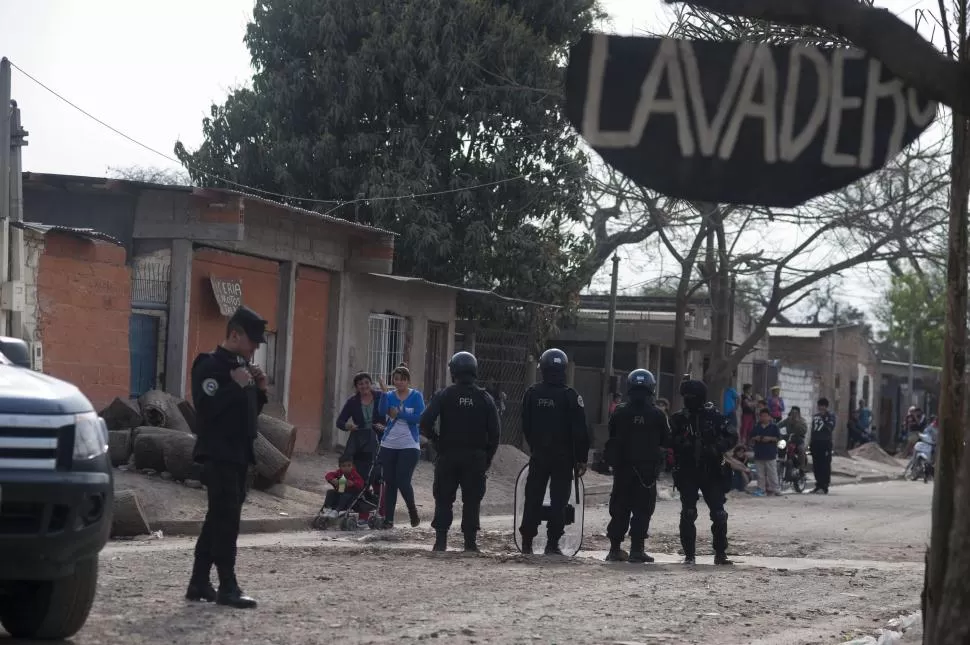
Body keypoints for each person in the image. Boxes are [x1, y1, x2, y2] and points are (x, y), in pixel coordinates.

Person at [185, 305, 268, 609]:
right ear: (235, 334)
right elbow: (207, 410)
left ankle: (198, 581)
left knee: (218, 518)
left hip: (239, 454)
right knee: (227, 520)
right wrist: (236, 385)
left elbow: (247, 413)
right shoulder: (211, 366)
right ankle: (228, 586)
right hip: (219, 453)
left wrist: (258, 390)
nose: (256, 347)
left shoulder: (241, 369)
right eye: (253, 341)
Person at [420, 351, 500, 552]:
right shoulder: (485, 398)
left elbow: (424, 423)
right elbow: (495, 432)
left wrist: (436, 442)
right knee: (472, 500)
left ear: (453, 371)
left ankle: (440, 541)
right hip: (475, 457)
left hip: (448, 455)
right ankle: (470, 543)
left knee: (444, 498)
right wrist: (487, 456)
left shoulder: (444, 395)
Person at [519, 348, 590, 555]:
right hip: (563, 458)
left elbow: (526, 425)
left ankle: (527, 544)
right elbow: (580, 431)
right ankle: (552, 544)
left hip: (539, 455)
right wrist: (581, 459)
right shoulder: (570, 396)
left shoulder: (532, 393)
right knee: (559, 500)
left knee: (533, 497)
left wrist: (536, 446)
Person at [604, 369, 670, 563]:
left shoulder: (620, 412)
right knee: (643, 509)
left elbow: (611, 433)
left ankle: (615, 549)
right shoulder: (657, 415)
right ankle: (636, 550)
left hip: (622, 469)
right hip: (646, 472)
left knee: (619, 507)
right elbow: (666, 440)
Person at [669, 379, 737, 565]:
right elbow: (668, 438)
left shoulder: (713, 416)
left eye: (692, 397)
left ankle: (720, 553)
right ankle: (689, 555)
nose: (688, 400)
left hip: (712, 470)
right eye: (686, 397)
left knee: (719, 514)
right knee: (688, 512)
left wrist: (717, 447)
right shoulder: (679, 418)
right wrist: (682, 444)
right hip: (688, 470)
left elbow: (732, 435)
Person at [377, 364, 425, 528]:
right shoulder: (390, 395)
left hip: (409, 444)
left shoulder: (416, 396)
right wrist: (383, 393)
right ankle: (388, 519)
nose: (399, 382)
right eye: (396, 379)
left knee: (403, 480)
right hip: (389, 443)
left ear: (408, 381)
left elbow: (420, 418)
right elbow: (382, 410)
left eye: (403, 379)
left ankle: (412, 511)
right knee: (390, 482)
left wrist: (401, 414)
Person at [335, 372, 381, 492]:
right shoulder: (353, 402)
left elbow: (391, 412)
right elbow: (339, 422)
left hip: (377, 438)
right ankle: (341, 492)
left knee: (375, 468)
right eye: (360, 384)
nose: (364, 386)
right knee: (346, 463)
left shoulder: (380, 397)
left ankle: (376, 500)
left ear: (371, 384)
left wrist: (385, 427)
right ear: (356, 387)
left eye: (366, 383)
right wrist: (348, 426)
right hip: (358, 437)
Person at [751, 408, 781, 496]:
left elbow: (778, 438)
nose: (764, 418)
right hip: (759, 453)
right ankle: (761, 489)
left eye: (765, 416)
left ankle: (775, 489)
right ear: (760, 417)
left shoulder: (774, 427)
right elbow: (751, 437)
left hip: (770, 453)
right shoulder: (757, 427)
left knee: (772, 473)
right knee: (760, 474)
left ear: (769, 417)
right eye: (762, 416)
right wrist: (756, 438)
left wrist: (769, 438)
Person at [810, 398, 836, 494]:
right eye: (819, 406)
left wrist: (824, 418)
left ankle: (824, 486)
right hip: (816, 442)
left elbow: (830, 428)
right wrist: (811, 442)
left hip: (825, 443)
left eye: (823, 406)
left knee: (824, 465)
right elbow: (813, 430)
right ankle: (818, 484)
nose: (821, 408)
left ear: (826, 407)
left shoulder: (830, 416)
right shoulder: (816, 417)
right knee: (816, 465)